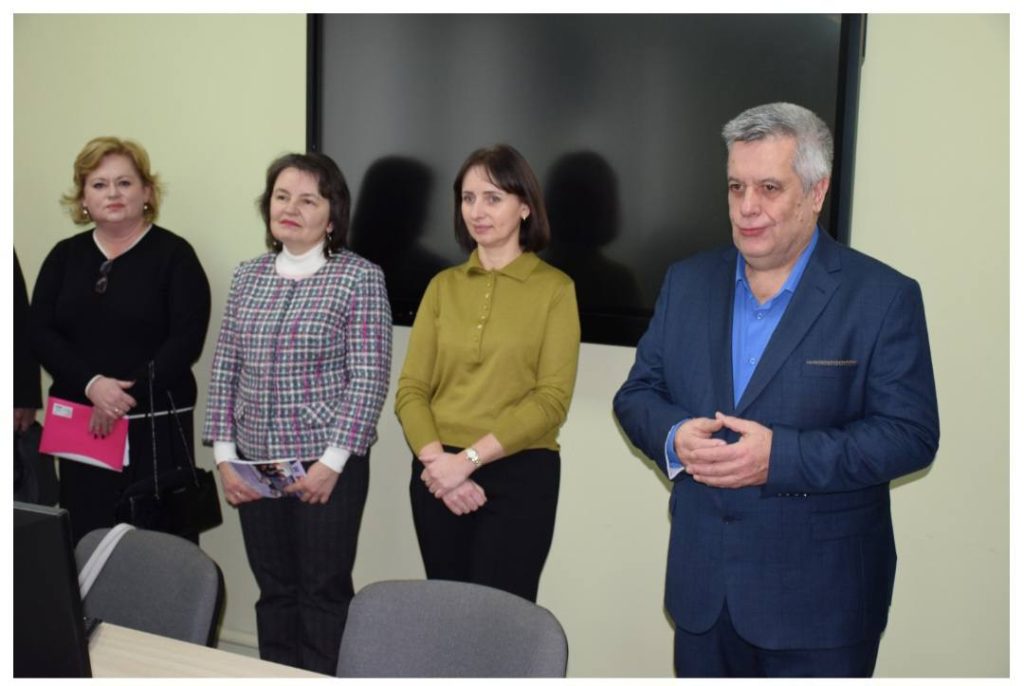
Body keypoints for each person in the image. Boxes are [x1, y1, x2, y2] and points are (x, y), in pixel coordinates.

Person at [613, 103, 939, 678]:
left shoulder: (882, 296)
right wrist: (674, 437)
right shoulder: (687, 282)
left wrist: (779, 457)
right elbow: (637, 393)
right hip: (704, 594)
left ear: (816, 192)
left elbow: (909, 436)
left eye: (768, 188)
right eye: (735, 186)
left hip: (821, 608)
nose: (746, 207)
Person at [202, 152, 392, 675]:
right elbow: (225, 367)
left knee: (322, 592)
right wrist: (224, 458)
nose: (290, 208)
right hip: (254, 462)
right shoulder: (248, 276)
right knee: (275, 591)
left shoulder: (358, 277)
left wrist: (331, 463)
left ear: (332, 216)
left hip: (325, 464)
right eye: (282, 197)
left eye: (308, 200)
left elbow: (369, 377)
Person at [395, 144, 581, 603]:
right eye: (468, 198)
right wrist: (438, 464)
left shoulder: (555, 289)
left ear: (524, 207)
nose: (477, 211)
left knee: (502, 620)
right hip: (437, 473)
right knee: (448, 614)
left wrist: (467, 462)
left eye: (493, 198)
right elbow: (411, 391)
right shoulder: (442, 286)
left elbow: (551, 401)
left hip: (520, 473)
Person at [31, 137, 211, 544]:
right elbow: (40, 333)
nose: (112, 193)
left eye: (124, 183)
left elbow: (186, 340)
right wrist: (93, 386)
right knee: (88, 542)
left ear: (146, 192)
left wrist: (121, 397)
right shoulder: (63, 256)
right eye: (99, 184)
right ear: (83, 198)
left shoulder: (175, 255)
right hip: (82, 428)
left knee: (160, 547)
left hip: (155, 427)